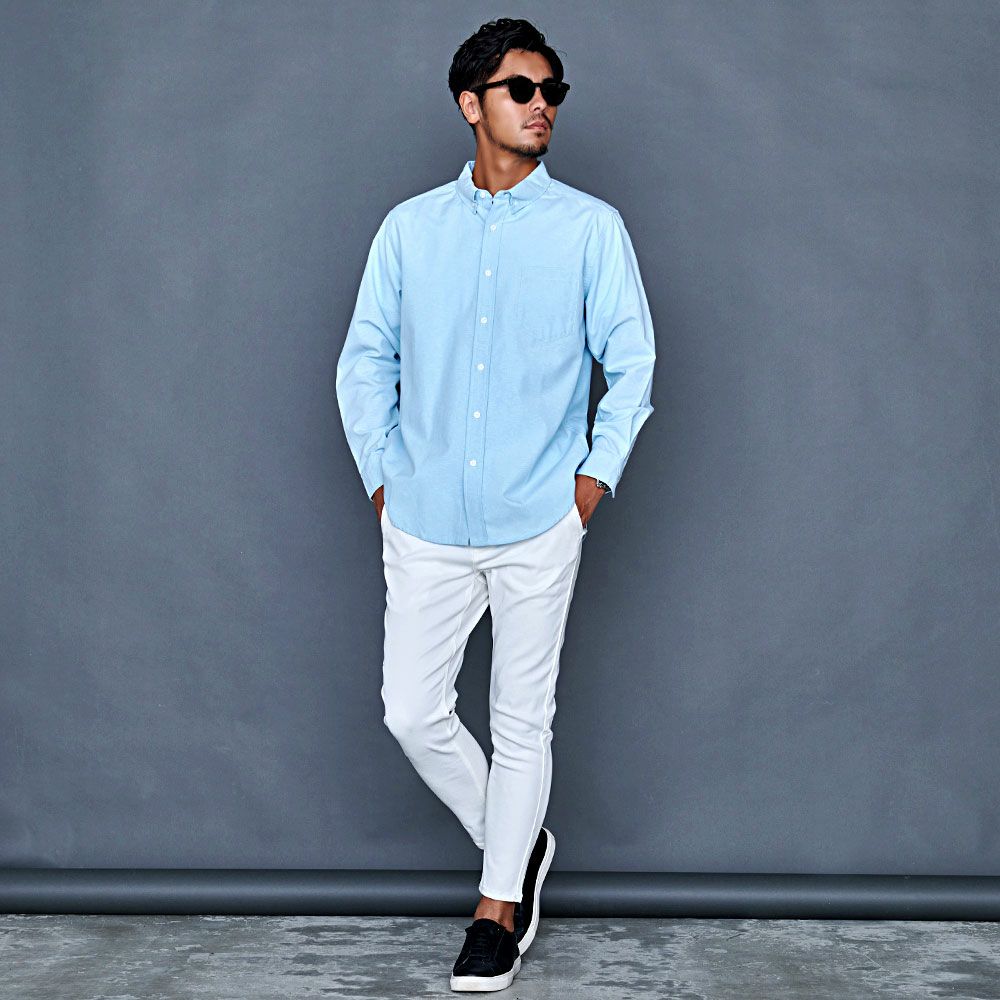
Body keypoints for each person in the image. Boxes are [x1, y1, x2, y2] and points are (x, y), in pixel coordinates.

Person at [336, 16, 656, 992]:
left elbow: (632, 361)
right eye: (523, 89)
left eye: (553, 91)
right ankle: (519, 847)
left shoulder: (589, 228)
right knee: (411, 711)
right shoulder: (410, 228)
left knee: (522, 720)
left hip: (538, 516)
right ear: (471, 103)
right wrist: (384, 478)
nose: (542, 105)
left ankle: (496, 909)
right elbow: (365, 359)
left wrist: (588, 485)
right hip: (424, 516)